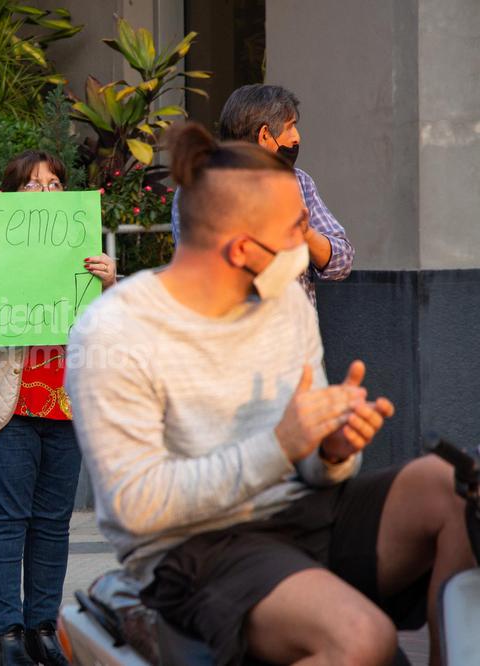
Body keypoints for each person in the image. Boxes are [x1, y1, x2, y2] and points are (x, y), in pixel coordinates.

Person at [66, 123, 474, 665]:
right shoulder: (115, 331)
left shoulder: (285, 303)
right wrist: (281, 444)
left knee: (459, 488)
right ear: (241, 248)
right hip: (197, 549)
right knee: (363, 639)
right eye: (296, 229)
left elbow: (314, 467)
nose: (308, 242)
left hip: (306, 514)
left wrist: (330, 449)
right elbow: (137, 507)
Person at [0, 150, 117, 666]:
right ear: (6, 198)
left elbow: (115, 333)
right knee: (7, 519)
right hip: (3, 404)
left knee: (54, 523)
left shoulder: (84, 257)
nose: (46, 194)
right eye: (33, 185)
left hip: (66, 405)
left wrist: (110, 286)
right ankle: (6, 635)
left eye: (55, 185)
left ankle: (42, 630)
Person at [170, 84, 354, 304]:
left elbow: (342, 262)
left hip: (293, 323)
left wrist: (306, 233)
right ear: (265, 134)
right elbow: (206, 269)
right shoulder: (201, 185)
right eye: (290, 126)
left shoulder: (299, 181)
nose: (297, 137)